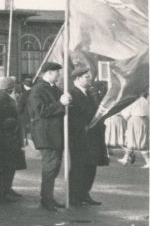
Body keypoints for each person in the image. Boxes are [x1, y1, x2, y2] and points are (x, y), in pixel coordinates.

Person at [28, 62, 71, 212]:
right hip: (47, 135)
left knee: (54, 166)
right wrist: (60, 103)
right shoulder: (38, 89)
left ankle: (48, 197)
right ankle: (46, 199)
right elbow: (41, 111)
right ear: (48, 73)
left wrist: (67, 102)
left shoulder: (53, 89)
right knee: (50, 167)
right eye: (56, 72)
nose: (59, 75)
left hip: (54, 134)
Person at [68, 67, 108, 206]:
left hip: (93, 136)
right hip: (80, 137)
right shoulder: (72, 94)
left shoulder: (89, 93)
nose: (89, 79)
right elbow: (72, 117)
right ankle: (74, 196)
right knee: (79, 167)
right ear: (77, 79)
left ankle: (85, 193)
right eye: (86, 77)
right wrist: (83, 127)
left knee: (91, 166)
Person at [0, 77, 26, 201]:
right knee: (7, 165)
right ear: (9, 87)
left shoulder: (4, 97)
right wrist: (13, 123)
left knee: (10, 165)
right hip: (7, 136)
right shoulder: (2, 99)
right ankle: (4, 190)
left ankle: (7, 188)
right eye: (12, 86)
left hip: (10, 136)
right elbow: (3, 119)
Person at [121, 95, 149, 167]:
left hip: (134, 120)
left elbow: (126, 113)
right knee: (141, 140)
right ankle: (126, 158)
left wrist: (127, 118)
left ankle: (126, 158)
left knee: (131, 139)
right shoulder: (145, 101)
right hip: (144, 121)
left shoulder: (132, 100)